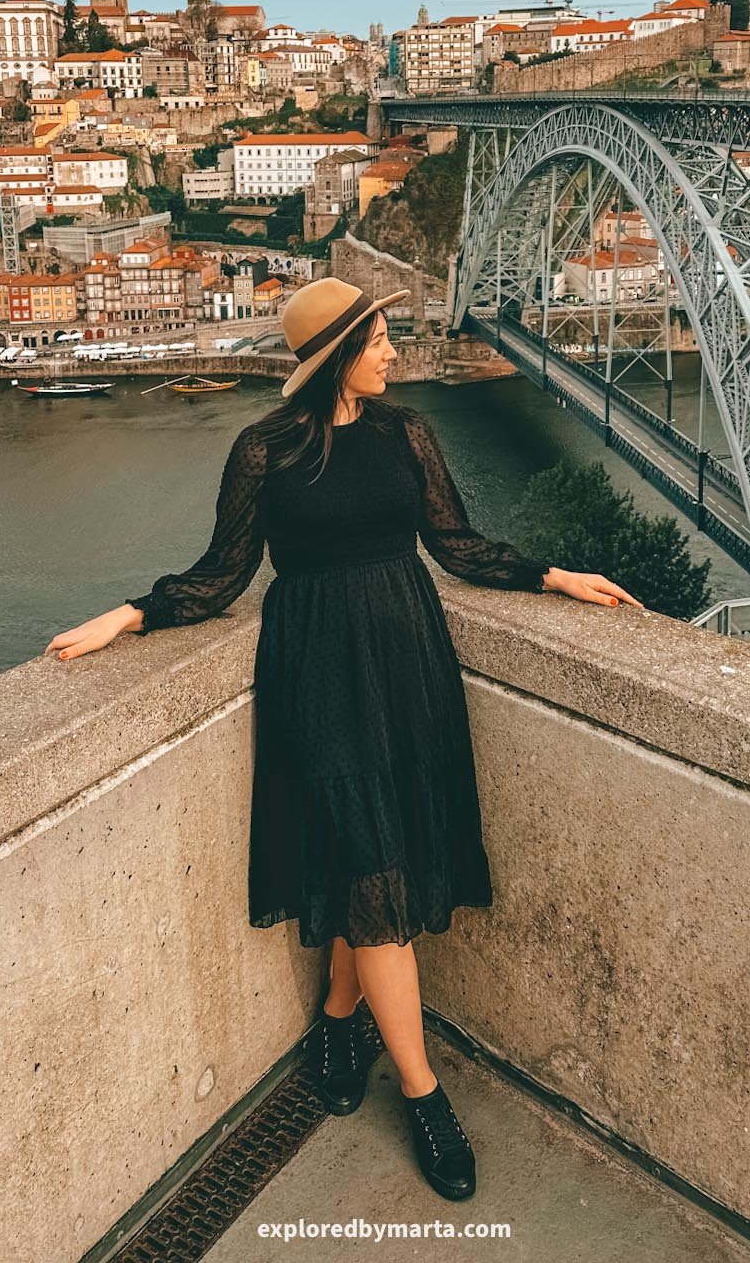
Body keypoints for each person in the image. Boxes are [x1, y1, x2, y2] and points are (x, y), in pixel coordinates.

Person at [47, 277, 641, 1202]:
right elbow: (223, 574)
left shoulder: (409, 434)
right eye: (379, 340)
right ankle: (424, 1092)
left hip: (407, 658)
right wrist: (125, 616)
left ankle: (335, 1017)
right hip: (318, 668)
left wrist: (555, 576)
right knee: (369, 866)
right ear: (335, 354)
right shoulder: (264, 451)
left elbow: (454, 542)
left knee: (381, 856)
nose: (396, 353)